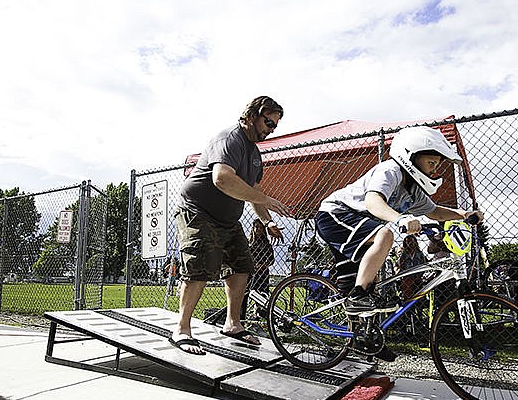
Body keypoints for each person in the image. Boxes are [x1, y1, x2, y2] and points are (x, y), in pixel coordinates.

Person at [315, 125, 483, 317]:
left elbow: (434, 212)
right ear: (411, 156)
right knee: (384, 234)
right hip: (336, 215)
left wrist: (463, 214)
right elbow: (373, 202)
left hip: (358, 225)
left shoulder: (414, 191)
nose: (434, 169)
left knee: (370, 283)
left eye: (437, 164)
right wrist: (401, 218)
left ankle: (364, 342)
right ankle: (357, 297)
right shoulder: (390, 171)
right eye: (431, 162)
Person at [169, 96, 291, 355]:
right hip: (197, 211)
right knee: (200, 266)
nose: (271, 129)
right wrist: (265, 198)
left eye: (275, 126)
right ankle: (181, 328)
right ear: (251, 116)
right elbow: (222, 179)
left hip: (227, 220)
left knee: (242, 265)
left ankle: (233, 324)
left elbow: (252, 192)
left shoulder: (255, 155)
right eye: (268, 122)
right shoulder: (229, 140)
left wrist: (267, 221)